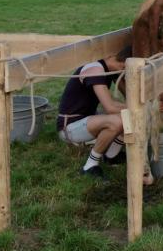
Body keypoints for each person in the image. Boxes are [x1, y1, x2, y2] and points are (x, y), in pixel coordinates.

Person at [57, 46, 132, 179]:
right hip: (69, 127)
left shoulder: (110, 70)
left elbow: (130, 98)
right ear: (124, 64)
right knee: (118, 121)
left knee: (129, 117)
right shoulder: (94, 69)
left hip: (88, 119)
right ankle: (90, 165)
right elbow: (109, 107)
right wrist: (136, 109)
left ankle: (111, 156)